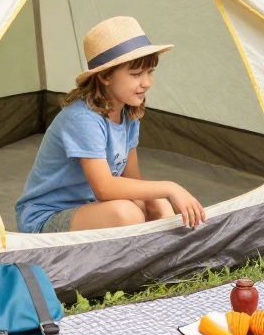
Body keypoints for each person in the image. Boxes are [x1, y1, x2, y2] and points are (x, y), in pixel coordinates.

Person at [15, 16, 206, 234]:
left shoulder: (128, 113)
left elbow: (132, 180)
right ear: (105, 76)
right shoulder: (82, 119)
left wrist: (159, 200)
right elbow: (105, 188)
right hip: (47, 217)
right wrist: (172, 187)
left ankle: (165, 255)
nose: (147, 83)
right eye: (135, 74)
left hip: (91, 207)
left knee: (157, 202)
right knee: (127, 214)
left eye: (150, 72)